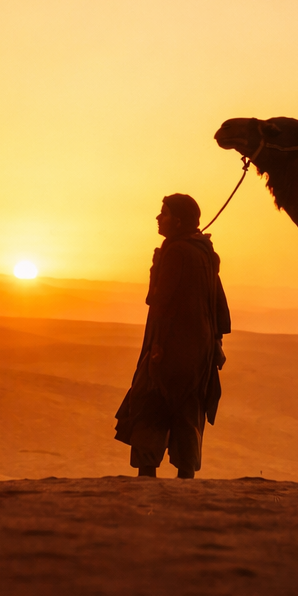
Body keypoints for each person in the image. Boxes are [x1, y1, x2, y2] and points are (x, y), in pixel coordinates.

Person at [114, 193, 231, 479]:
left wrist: (156, 348)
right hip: (198, 354)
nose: (158, 217)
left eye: (163, 213)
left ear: (177, 221)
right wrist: (215, 342)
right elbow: (218, 303)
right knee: (189, 412)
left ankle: (147, 482)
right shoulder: (204, 251)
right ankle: (185, 481)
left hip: (167, 350)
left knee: (150, 407)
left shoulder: (176, 252)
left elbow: (158, 300)